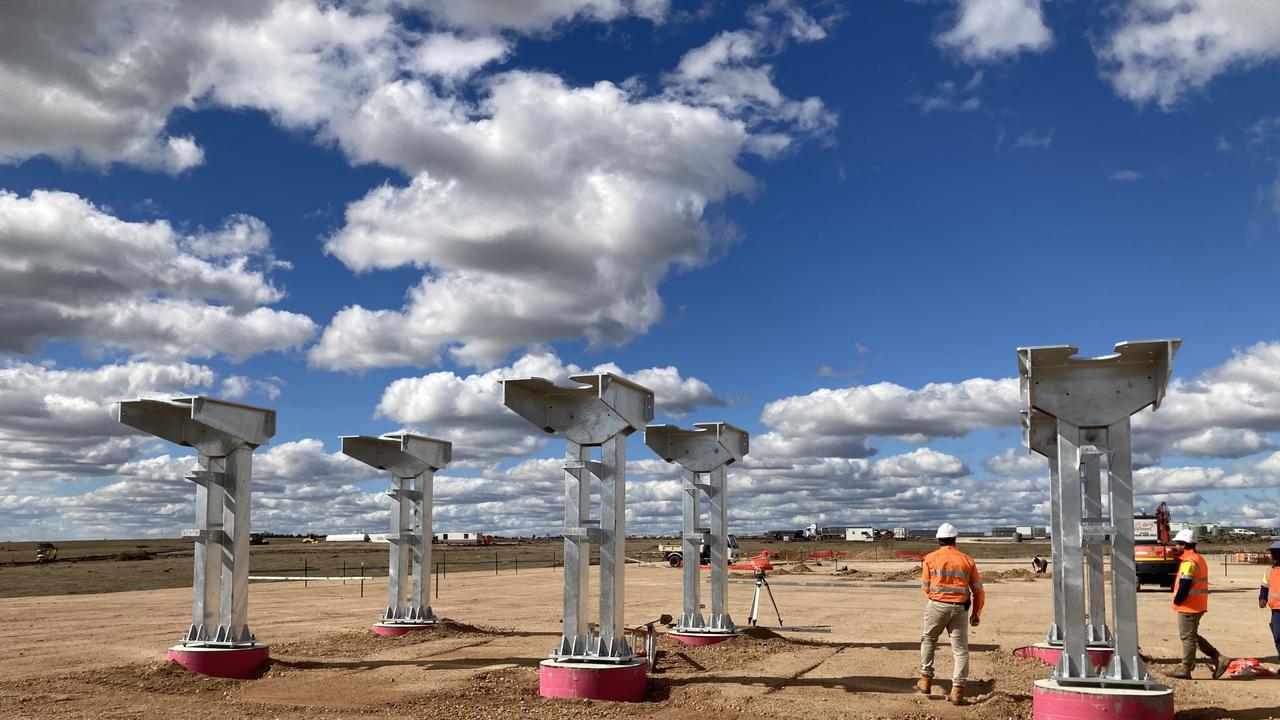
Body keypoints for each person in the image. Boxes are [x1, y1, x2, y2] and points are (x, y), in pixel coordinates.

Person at [918, 522, 984, 705]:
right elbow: (978, 590)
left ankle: (925, 679)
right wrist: (976, 613)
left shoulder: (929, 559)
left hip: (937, 606)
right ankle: (957, 690)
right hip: (960, 609)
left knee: (929, 640)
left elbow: (925, 587)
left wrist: (938, 596)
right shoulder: (967, 560)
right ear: (955, 539)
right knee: (961, 650)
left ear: (938, 539)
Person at [1167, 529, 1229, 679]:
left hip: (1189, 605)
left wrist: (1178, 599)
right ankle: (1219, 658)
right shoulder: (1198, 559)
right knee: (1192, 635)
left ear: (1184, 544)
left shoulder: (1189, 562)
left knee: (1187, 637)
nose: (1176, 546)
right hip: (1198, 604)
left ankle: (1186, 667)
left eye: (1178, 544)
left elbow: (1185, 584)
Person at [1260, 540, 1280, 661]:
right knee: (1278, 637)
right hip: (1276, 611)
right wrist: (1262, 598)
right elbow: (1264, 586)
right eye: (1272, 553)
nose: (1273, 556)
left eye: (1276, 553)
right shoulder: (1269, 570)